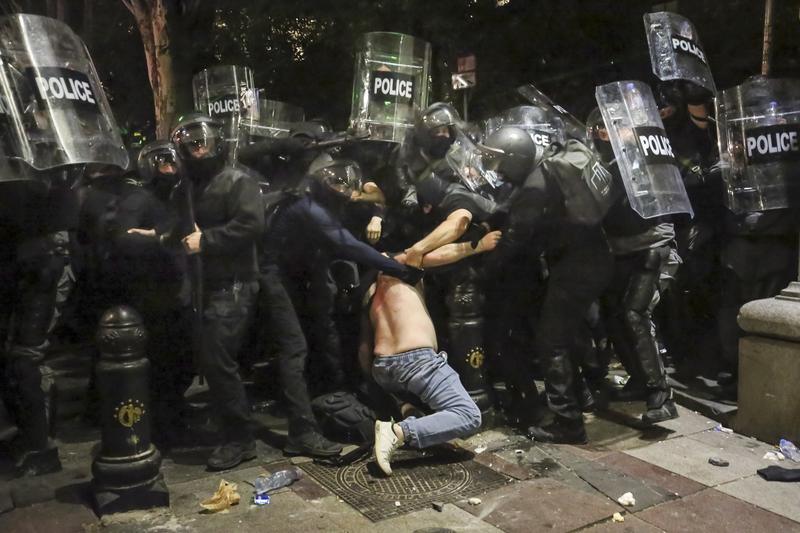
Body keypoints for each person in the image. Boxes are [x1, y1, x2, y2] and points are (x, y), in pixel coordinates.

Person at [167, 113, 265, 470]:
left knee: (218, 360)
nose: (198, 148)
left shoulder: (238, 181)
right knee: (208, 359)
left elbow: (252, 224)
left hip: (234, 283)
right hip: (204, 284)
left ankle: (240, 438)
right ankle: (226, 425)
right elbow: (181, 229)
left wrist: (206, 241)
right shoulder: (189, 187)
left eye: (202, 141)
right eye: (190, 144)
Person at [364, 231, 501, 476]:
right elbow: (439, 253)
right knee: (468, 415)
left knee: (416, 401)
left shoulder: (371, 291)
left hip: (383, 367)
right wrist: (478, 246)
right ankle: (398, 432)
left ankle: (408, 411)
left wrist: (381, 389)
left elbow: (363, 350)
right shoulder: (401, 266)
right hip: (417, 361)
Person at [586, 108, 679, 424]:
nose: (606, 134)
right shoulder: (606, 165)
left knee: (634, 314)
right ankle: (640, 380)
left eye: (613, 128)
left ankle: (661, 396)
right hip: (621, 250)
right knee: (614, 316)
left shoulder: (641, 160)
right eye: (602, 129)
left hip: (652, 247)